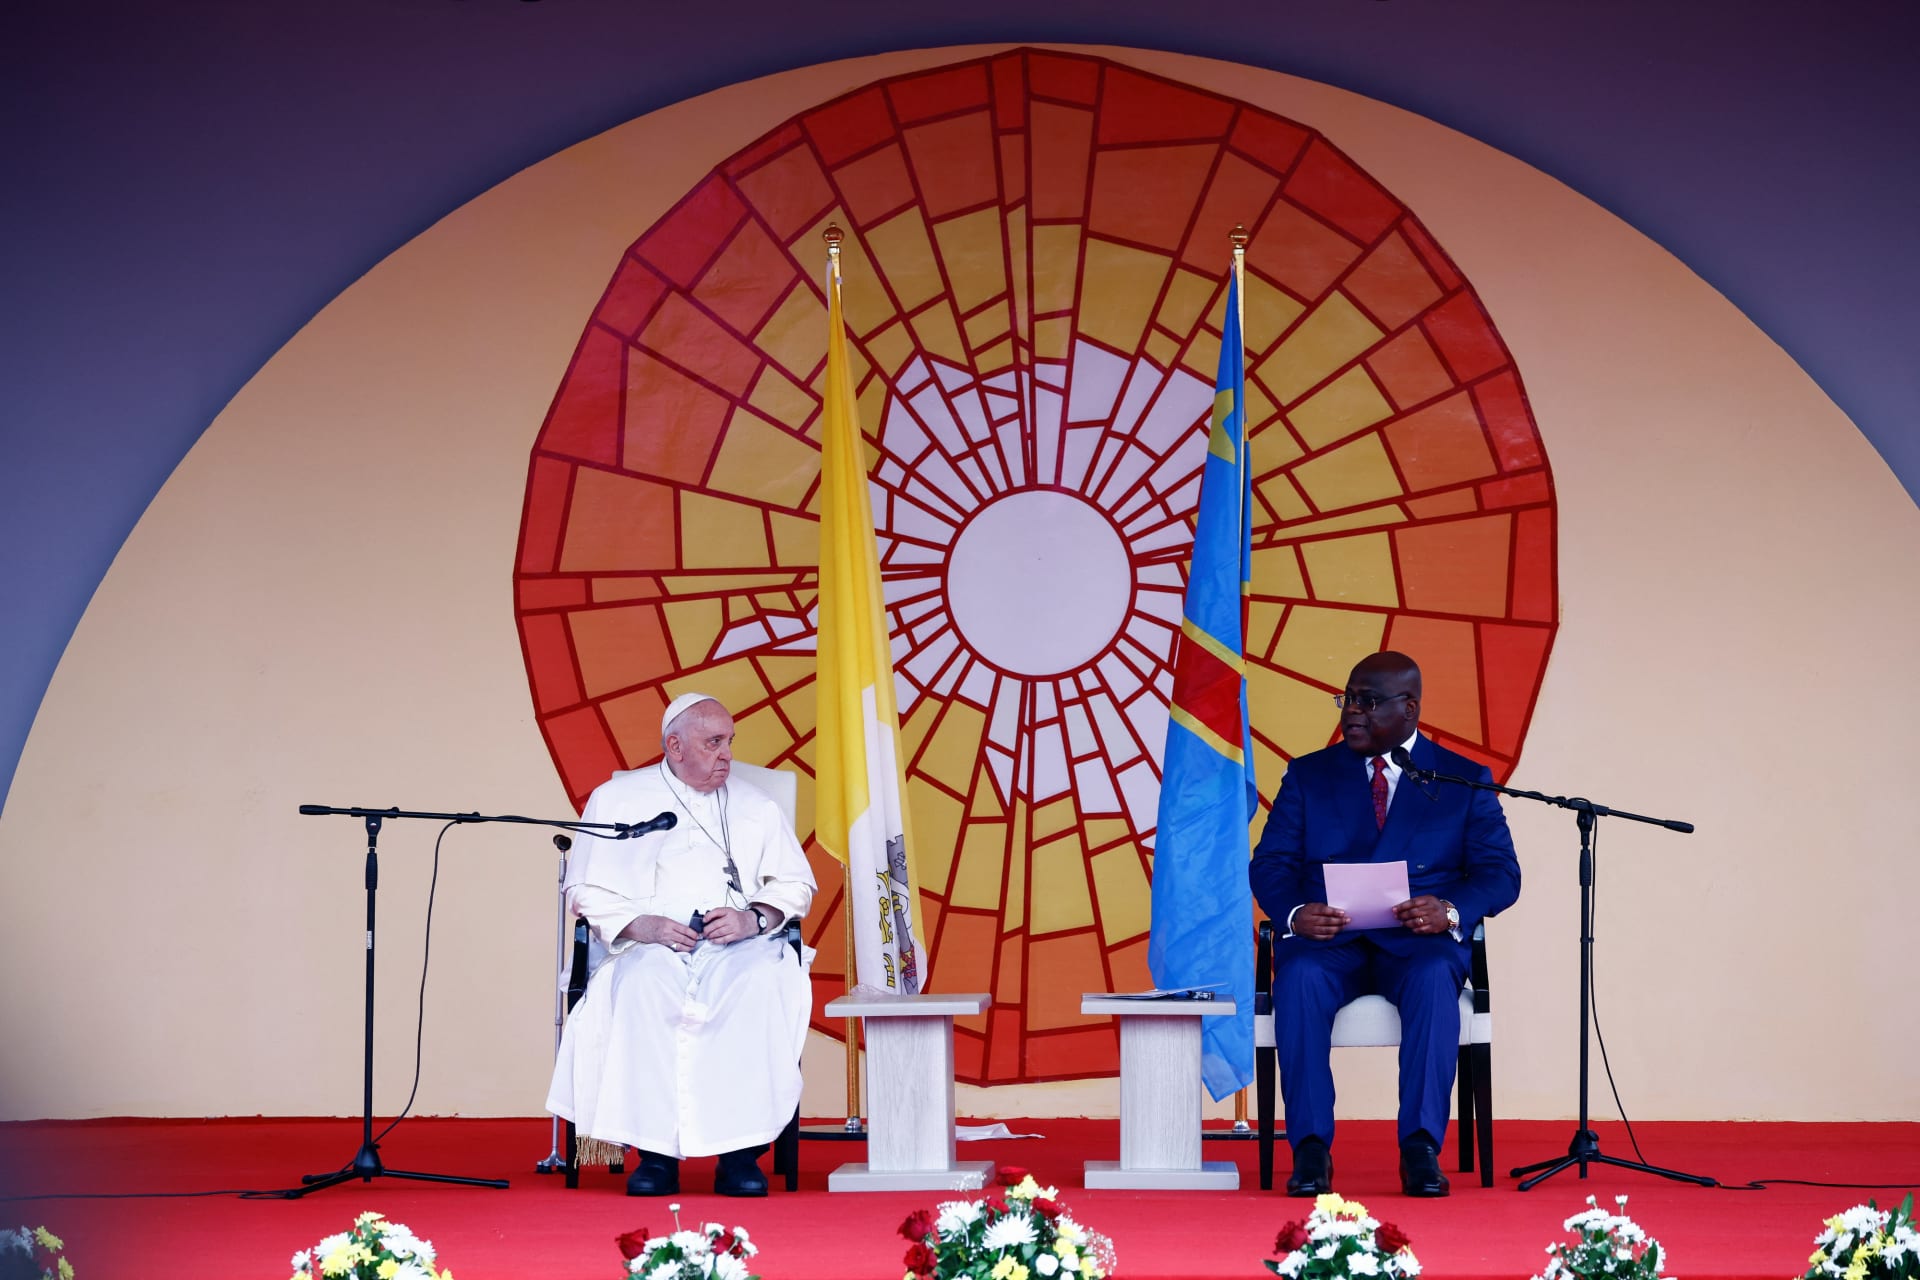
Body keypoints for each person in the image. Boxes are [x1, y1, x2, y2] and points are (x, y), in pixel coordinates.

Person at [1249, 651, 1519, 1198]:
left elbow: (1501, 874)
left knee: (1434, 975)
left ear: (1410, 707)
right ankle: (1310, 1151)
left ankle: (1420, 1149)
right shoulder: (1309, 774)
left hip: (1415, 944)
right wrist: (1299, 915)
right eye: (1347, 699)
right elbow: (1270, 865)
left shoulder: (1463, 780)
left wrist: (1447, 908)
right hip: (1330, 943)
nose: (1352, 712)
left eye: (1367, 702)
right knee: (1297, 977)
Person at [546, 692, 816, 1197]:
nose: (728, 756)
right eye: (714, 743)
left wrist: (752, 918)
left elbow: (795, 886)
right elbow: (583, 888)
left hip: (739, 949)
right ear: (674, 746)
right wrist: (641, 925)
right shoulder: (617, 801)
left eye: (729, 742)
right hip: (648, 948)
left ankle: (739, 1157)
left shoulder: (757, 806)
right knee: (642, 987)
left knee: (759, 987)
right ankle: (654, 1158)